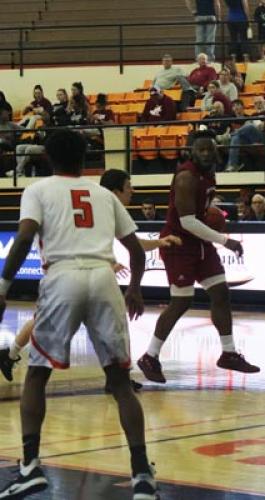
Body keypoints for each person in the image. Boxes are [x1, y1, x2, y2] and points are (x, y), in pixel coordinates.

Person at [0, 129, 157, 499]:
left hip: (63, 276)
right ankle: (141, 475)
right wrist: (133, 288)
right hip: (104, 279)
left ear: (48, 159)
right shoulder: (103, 194)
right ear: (85, 160)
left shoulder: (37, 190)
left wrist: (3, 288)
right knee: (120, 383)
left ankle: (30, 466)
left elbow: (24, 238)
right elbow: (135, 250)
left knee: (37, 374)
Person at [0, 169, 180, 388]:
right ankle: (118, 378)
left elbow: (134, 245)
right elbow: (82, 239)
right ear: (116, 190)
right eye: (128, 186)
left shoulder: (96, 201)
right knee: (110, 325)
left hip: (74, 271)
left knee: (44, 320)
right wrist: (102, 263)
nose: (132, 191)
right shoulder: (103, 202)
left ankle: (10, 355)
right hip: (73, 270)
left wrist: (159, 243)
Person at [137, 132, 260, 383]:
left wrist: (211, 216)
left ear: (215, 151)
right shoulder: (186, 177)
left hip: (199, 243)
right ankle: (150, 356)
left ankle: (228, 353)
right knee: (181, 302)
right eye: (201, 149)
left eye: (209, 149)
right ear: (192, 152)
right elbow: (187, 221)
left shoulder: (209, 173)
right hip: (178, 243)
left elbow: (199, 213)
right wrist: (226, 240)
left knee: (221, 292)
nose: (205, 153)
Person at [225, 95, 265, 172]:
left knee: (248, 127)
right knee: (237, 138)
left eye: (260, 103)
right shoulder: (253, 115)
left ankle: (231, 135)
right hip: (251, 138)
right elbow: (247, 126)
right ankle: (232, 165)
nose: (258, 105)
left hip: (263, 137)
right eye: (256, 104)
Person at [0, 103, 23, 177]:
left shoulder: (11, 124)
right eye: (6, 113)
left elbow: (25, 129)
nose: (8, 115)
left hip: (8, 146)